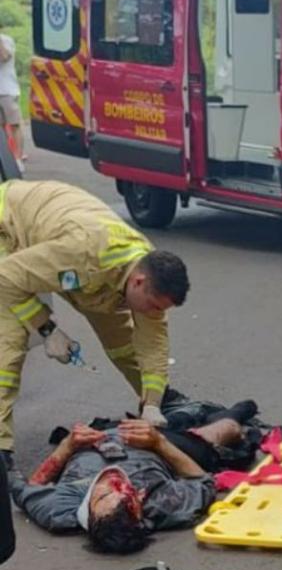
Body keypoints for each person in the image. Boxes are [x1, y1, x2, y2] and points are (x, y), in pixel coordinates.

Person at [0, 180, 190, 471]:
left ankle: (160, 403)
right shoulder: (82, 253)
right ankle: (1, 450)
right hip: (8, 227)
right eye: (154, 306)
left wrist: (153, 401)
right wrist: (46, 328)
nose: (155, 314)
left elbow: (152, 344)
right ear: (139, 282)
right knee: (8, 348)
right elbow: (7, 278)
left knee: (123, 342)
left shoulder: (146, 268)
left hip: (71, 253)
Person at [8, 413, 244, 553]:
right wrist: (159, 442)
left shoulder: (59, 511)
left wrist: (67, 446)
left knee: (167, 414)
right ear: (140, 503)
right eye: (128, 491)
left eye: (103, 495)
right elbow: (202, 480)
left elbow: (28, 486)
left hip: (97, 437)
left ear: (88, 513)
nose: (115, 480)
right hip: (159, 446)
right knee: (230, 428)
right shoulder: (163, 506)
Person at [0, 22, 25, 170]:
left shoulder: (6, 40)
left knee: (14, 125)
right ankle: (5, 160)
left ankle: (18, 159)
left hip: (7, 91)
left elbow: (4, 57)